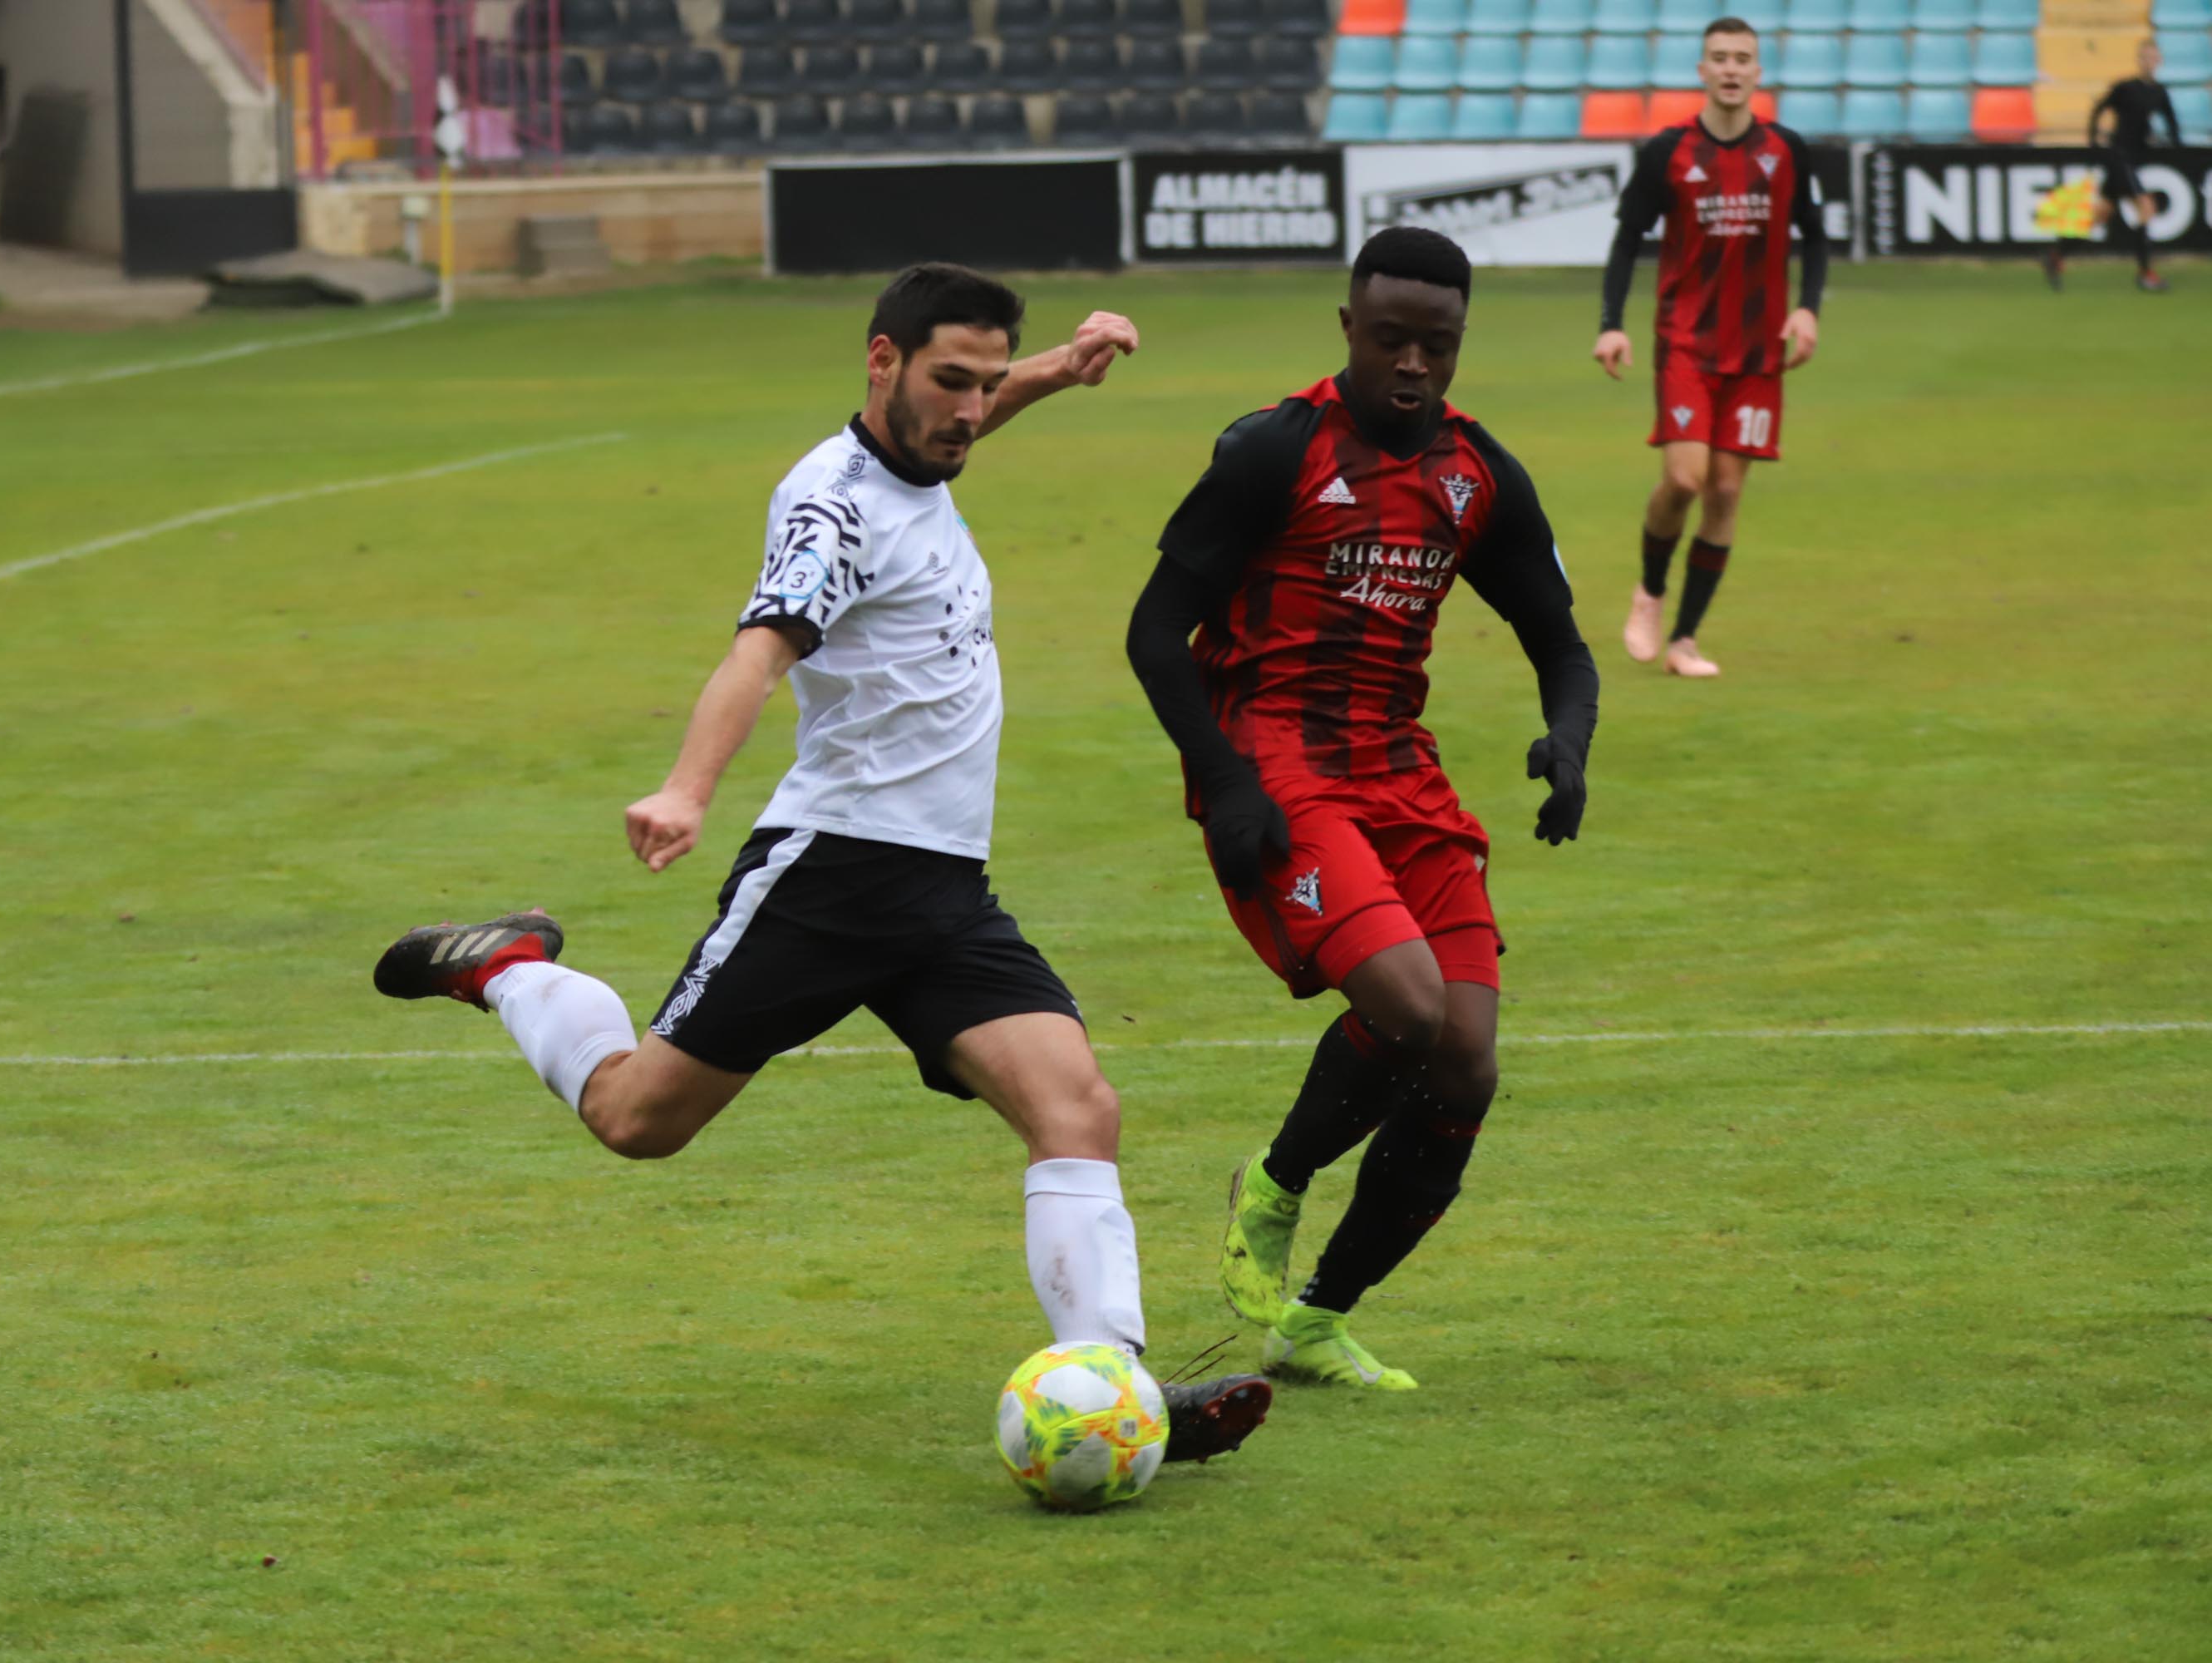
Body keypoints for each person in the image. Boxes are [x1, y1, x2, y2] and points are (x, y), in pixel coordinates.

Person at [372, 263, 1272, 1463]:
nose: (969, 410)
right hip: (833, 874)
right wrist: (686, 790)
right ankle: (512, 968)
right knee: (638, 1119)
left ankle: (1115, 1388)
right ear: (880, 359)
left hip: (944, 892)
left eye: (986, 383)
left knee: (1077, 1107)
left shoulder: (924, 452)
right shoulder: (830, 511)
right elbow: (758, 652)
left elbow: (953, 432)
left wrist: (1054, 370)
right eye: (950, 381)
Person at [1125, 226, 1599, 1392]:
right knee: (1409, 1004)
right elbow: (1154, 632)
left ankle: (1315, 1320)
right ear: (1348, 328)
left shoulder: (1478, 474)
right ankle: (1272, 1186)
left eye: (1437, 344)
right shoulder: (1273, 450)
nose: (1412, 364)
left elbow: (1561, 642)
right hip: (1277, 761)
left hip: (1400, 774)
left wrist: (1569, 743)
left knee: (1467, 1065)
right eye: (1390, 339)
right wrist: (1224, 778)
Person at [1594, 15, 1828, 679]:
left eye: (1742, 58)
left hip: (1758, 353)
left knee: (1725, 490)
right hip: (1686, 344)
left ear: (1758, 72)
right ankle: (1650, 592)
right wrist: (1612, 322)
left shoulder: (1786, 150)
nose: (1730, 68)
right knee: (1684, 479)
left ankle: (1685, 641)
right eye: (1720, 57)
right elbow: (1626, 239)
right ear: (1702, 70)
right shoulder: (1668, 151)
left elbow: (1814, 234)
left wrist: (1807, 310)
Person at [2078, 40, 2183, 293]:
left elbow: (2171, 123)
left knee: (2101, 215)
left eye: (2153, 57)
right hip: (2119, 156)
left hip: (2132, 158)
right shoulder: (2126, 87)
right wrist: (2093, 142)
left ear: (2159, 61)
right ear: (2139, 60)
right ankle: (2146, 274)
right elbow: (2099, 108)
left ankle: (2056, 254)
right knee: (2147, 207)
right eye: (2145, 57)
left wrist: (2177, 147)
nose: (2149, 62)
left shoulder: (2159, 92)